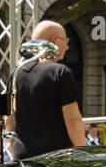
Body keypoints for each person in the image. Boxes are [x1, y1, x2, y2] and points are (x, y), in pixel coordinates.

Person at [11, 20, 87, 159]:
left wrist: (12, 148)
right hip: (55, 160)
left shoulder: (16, 73)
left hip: (22, 159)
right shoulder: (60, 72)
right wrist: (82, 154)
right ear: (54, 40)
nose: (67, 47)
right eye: (66, 40)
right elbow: (73, 120)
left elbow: (7, 118)